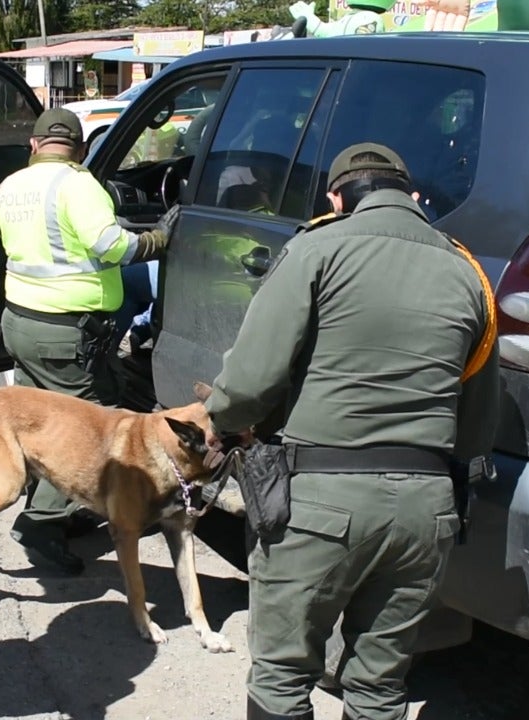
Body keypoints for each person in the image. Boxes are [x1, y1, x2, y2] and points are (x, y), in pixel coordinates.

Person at [203, 143, 500, 720]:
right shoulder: (470, 272)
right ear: (414, 197)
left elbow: (250, 382)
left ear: (337, 199)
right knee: (380, 686)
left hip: (320, 504)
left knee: (282, 676)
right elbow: (478, 420)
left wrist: (221, 424)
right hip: (425, 510)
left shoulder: (316, 249)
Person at [0, 107, 173, 575]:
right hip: (65, 332)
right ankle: (42, 523)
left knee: (38, 422)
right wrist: (159, 238)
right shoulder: (79, 185)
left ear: (33, 146)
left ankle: (65, 505)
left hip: (20, 322)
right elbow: (111, 247)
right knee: (81, 430)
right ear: (83, 149)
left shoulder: (9, 187)